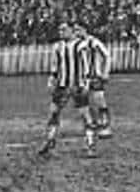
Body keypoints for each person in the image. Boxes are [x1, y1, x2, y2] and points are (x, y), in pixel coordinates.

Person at [38, 22, 98, 158]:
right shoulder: (58, 46)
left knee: (85, 114)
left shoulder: (81, 45)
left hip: (78, 85)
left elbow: (86, 65)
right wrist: (51, 79)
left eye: (64, 29)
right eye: (60, 30)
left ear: (72, 31)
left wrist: (87, 82)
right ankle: (49, 141)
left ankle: (90, 145)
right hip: (62, 85)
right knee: (53, 113)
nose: (61, 32)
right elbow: (55, 65)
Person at [72, 24, 112, 137]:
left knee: (99, 100)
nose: (76, 32)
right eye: (74, 30)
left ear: (84, 30)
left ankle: (105, 127)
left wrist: (105, 72)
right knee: (81, 102)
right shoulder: (74, 44)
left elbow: (107, 55)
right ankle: (91, 124)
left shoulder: (94, 42)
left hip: (95, 77)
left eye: (78, 30)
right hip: (81, 78)